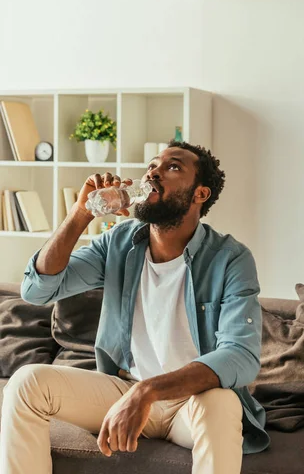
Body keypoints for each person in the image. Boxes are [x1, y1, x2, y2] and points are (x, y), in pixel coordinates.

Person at [0, 141, 270, 474]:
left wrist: (148, 391)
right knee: (27, 384)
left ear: (199, 194)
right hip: (124, 388)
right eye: (153, 164)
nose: (153, 171)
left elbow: (241, 357)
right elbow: (37, 289)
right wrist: (81, 212)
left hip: (191, 402)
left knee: (223, 402)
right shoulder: (119, 241)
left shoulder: (230, 258)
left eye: (172, 167)